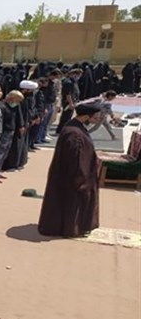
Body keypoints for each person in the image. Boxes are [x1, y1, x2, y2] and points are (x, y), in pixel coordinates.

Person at [38, 102, 102, 238]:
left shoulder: (75, 127)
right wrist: (82, 178)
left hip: (72, 174)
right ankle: (70, 228)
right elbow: (75, 158)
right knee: (72, 203)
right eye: (95, 117)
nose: (97, 120)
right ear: (86, 117)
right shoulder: (74, 133)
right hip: (73, 176)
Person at [0, 90, 24, 179]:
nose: (17, 103)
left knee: (5, 153)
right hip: (4, 132)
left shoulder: (12, 107)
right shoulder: (2, 107)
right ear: (12, 98)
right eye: (17, 100)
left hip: (10, 132)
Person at [56, 68, 82, 135]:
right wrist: (71, 103)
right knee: (65, 117)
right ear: (73, 74)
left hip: (73, 101)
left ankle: (62, 130)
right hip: (68, 102)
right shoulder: (68, 82)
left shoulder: (73, 82)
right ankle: (60, 130)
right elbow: (68, 94)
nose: (78, 77)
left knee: (68, 117)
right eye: (77, 75)